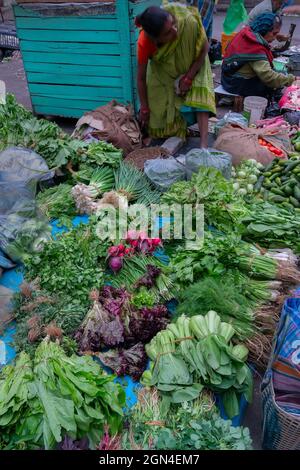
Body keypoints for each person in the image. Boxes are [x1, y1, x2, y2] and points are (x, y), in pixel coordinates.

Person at [136, 3, 216, 148]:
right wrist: (144, 108)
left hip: (195, 59)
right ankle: (174, 134)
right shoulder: (145, 42)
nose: (175, 31)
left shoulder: (187, 21)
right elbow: (141, 79)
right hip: (164, 68)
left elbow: (204, 48)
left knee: (200, 91)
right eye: (167, 33)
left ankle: (204, 146)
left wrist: (189, 77)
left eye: (173, 24)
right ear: (156, 39)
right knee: (160, 99)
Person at [221, 13, 295, 98]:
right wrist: (291, 80)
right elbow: (269, 77)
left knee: (278, 76)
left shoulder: (248, 32)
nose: (275, 38)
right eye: (274, 34)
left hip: (227, 78)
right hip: (236, 85)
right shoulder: (255, 47)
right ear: (264, 30)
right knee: (274, 84)